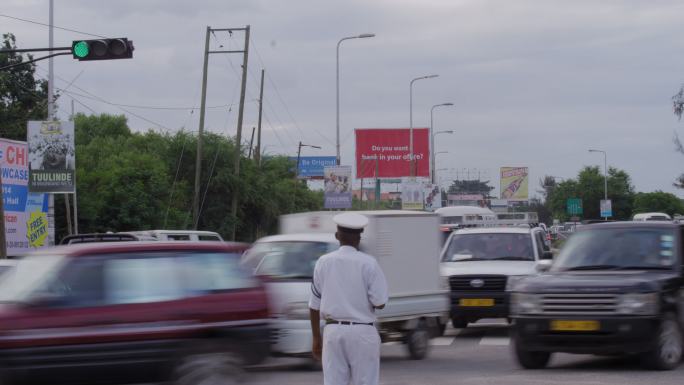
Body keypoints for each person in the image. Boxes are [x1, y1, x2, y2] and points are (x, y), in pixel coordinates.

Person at [309, 213, 388, 385]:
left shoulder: (323, 262)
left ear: (337, 236)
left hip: (333, 332)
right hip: (363, 333)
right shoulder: (369, 263)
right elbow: (380, 303)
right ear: (359, 238)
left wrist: (316, 337)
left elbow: (313, 305)